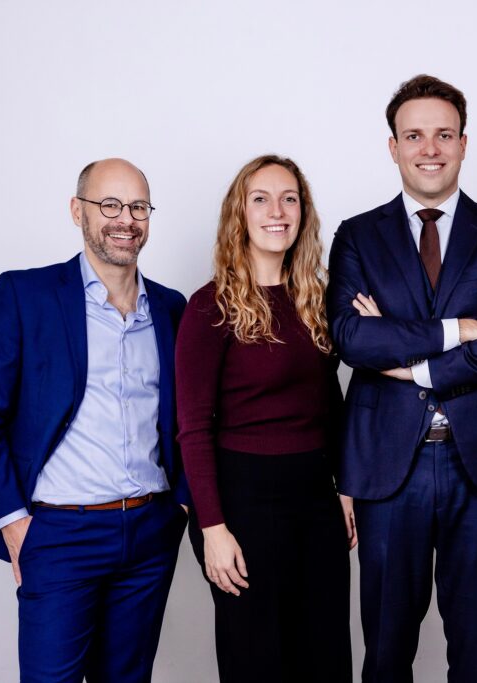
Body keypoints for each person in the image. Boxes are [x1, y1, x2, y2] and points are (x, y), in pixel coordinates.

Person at [327, 74, 477, 683]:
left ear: (464, 144)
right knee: (385, 650)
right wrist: (462, 329)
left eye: (444, 135)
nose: (430, 148)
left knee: (474, 653)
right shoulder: (356, 235)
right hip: (387, 466)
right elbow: (352, 339)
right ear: (392, 146)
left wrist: (414, 359)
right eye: (414, 135)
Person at [0, 158, 190, 682]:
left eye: (138, 207)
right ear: (77, 211)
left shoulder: (172, 309)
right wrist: (13, 521)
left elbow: (190, 418)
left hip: (149, 534)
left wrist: (180, 505)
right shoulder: (26, 296)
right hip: (59, 534)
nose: (125, 219)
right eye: (109, 204)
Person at [175, 155, 352, 683]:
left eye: (289, 199)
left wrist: (345, 489)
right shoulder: (209, 307)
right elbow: (192, 428)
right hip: (241, 503)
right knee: (257, 661)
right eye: (261, 199)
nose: (277, 211)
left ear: (303, 213)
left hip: (315, 499)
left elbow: (329, 403)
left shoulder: (316, 300)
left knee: (324, 657)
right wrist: (213, 529)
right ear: (240, 214)